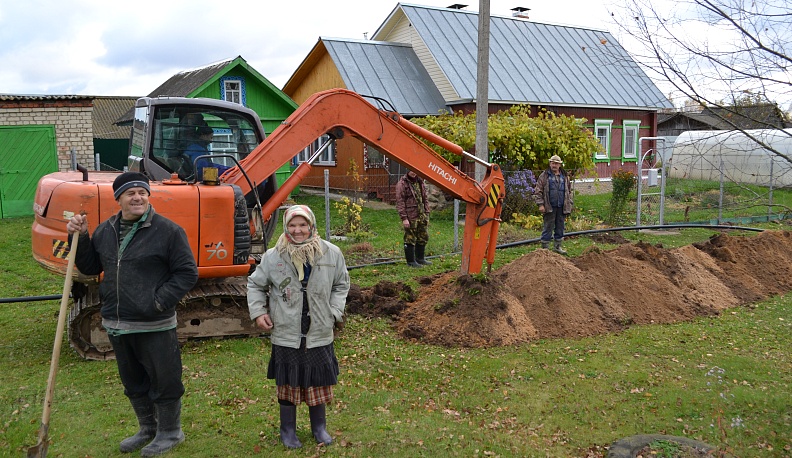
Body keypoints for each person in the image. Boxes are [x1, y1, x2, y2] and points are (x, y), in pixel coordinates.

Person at [66, 172, 198, 456]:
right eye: (130, 193)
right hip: (118, 322)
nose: (137, 198)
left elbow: (187, 273)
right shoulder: (106, 230)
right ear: (119, 199)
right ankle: (148, 429)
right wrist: (81, 236)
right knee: (133, 380)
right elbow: (90, 268)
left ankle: (170, 432)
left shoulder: (168, 231)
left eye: (142, 192)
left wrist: (157, 302)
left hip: (154, 323)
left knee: (165, 379)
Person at [247, 205, 350, 449]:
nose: (297, 230)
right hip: (286, 331)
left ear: (311, 225)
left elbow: (341, 285)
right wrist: (259, 312)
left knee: (318, 380)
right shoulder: (274, 256)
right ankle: (288, 431)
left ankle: (319, 428)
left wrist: (334, 312)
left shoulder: (331, 253)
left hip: (319, 330)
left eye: (303, 225)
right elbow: (255, 285)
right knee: (288, 383)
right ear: (286, 227)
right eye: (292, 225)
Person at [534, 155, 573, 254]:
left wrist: (569, 203)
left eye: (556, 163)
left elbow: (569, 191)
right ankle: (545, 249)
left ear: (560, 165)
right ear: (550, 163)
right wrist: (540, 204)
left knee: (560, 227)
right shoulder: (544, 176)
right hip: (549, 206)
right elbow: (538, 191)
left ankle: (557, 247)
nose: (554, 165)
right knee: (548, 227)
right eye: (552, 163)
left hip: (562, 207)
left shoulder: (565, 176)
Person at [395, 170, 432, 267]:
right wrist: (404, 218)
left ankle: (420, 258)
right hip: (410, 215)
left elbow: (425, 198)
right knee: (410, 237)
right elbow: (400, 202)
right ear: (407, 170)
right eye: (411, 170)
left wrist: (427, 212)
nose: (413, 172)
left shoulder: (420, 181)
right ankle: (411, 261)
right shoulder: (402, 184)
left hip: (422, 214)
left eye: (415, 170)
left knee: (423, 236)